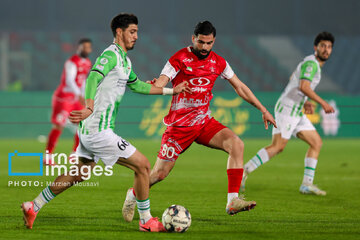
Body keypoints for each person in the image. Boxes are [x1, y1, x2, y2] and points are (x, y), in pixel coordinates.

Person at [21, 13, 191, 232]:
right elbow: (92, 77)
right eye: (132, 31)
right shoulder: (110, 55)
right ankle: (146, 220)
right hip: (98, 130)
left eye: (137, 32)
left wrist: (171, 90)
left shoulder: (124, 60)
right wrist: (89, 106)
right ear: (119, 32)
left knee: (79, 173)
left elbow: (138, 86)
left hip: (93, 130)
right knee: (143, 165)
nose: (136, 36)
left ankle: (33, 206)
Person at [122, 21, 276, 222]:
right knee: (159, 174)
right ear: (193, 38)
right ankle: (133, 194)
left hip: (204, 122)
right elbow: (162, 81)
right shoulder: (179, 58)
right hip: (179, 126)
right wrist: (155, 84)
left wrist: (263, 109)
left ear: (214, 41)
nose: (204, 47)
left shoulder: (219, 62)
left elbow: (240, 87)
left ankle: (232, 201)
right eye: (201, 42)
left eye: (209, 43)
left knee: (236, 144)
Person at [241, 32, 335, 196]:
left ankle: (306, 184)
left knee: (316, 142)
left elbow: (294, 78)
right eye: (323, 46)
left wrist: (305, 101)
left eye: (329, 47)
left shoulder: (310, 64)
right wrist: (323, 103)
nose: (326, 50)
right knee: (278, 147)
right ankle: (243, 172)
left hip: (296, 109)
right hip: (288, 107)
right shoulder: (312, 64)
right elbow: (303, 86)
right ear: (316, 47)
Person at [45, 38, 93, 165]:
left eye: (88, 47)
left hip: (76, 98)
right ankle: (48, 156)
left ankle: (74, 154)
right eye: (84, 47)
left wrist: (83, 95)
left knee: (82, 124)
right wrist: (79, 95)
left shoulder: (87, 62)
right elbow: (69, 80)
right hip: (64, 97)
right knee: (59, 126)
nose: (86, 49)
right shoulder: (72, 62)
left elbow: (83, 81)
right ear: (79, 48)